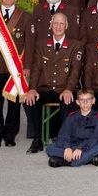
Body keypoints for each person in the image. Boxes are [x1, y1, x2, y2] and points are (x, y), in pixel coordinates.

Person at [24, 12, 84, 154]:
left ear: (67, 26)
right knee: (28, 100)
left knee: (68, 102)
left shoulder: (76, 45)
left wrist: (69, 89)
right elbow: (36, 68)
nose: (58, 26)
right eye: (55, 23)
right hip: (45, 88)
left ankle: (63, 139)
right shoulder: (41, 44)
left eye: (61, 23)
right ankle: (38, 138)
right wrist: (32, 88)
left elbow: (76, 70)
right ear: (50, 25)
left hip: (65, 89)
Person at [0, 0, 32, 148]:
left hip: (15, 70)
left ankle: (10, 134)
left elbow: (29, 44)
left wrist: (26, 67)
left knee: (14, 104)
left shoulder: (25, 17)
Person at [46, 88, 98, 167]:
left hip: (89, 145)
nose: (85, 103)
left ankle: (66, 161)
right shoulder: (71, 116)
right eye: (82, 100)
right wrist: (67, 148)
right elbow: (64, 134)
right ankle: (88, 159)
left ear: (93, 101)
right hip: (73, 144)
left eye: (88, 99)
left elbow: (95, 138)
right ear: (77, 102)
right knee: (50, 148)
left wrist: (80, 148)